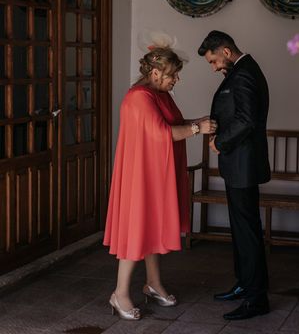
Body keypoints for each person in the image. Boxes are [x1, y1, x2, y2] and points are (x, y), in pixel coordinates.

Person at [103, 46, 215, 321]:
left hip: (155, 172)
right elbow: (161, 134)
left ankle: (152, 283)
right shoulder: (139, 97)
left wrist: (195, 122)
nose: (176, 80)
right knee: (136, 229)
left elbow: (172, 124)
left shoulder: (158, 94)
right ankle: (120, 293)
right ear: (155, 72)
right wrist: (196, 129)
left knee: (150, 226)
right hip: (141, 175)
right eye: (173, 75)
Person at [198, 30, 271, 321]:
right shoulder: (242, 71)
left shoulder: (244, 74)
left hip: (243, 164)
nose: (214, 67)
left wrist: (220, 141)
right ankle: (244, 285)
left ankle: (256, 300)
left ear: (226, 52)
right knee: (242, 231)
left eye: (214, 61)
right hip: (239, 165)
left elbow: (246, 120)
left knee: (248, 233)